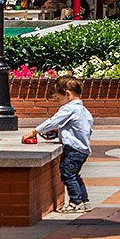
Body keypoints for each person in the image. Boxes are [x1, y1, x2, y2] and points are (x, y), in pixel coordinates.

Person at [22, 76, 94, 213]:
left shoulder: (69, 109)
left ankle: (76, 202)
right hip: (82, 149)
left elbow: (53, 121)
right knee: (75, 174)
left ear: (67, 94)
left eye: (57, 98)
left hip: (73, 149)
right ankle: (84, 201)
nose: (57, 102)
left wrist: (35, 131)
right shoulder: (83, 110)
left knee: (67, 174)